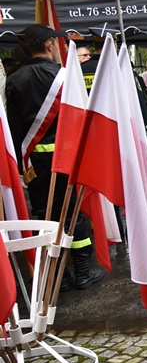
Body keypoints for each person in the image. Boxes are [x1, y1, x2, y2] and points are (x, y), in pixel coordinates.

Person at [6, 24, 104, 292]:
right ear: (49, 44)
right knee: (73, 214)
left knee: (44, 216)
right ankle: (82, 272)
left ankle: (56, 277)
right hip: (66, 158)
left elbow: (12, 126)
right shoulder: (63, 76)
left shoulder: (14, 78)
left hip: (33, 162)